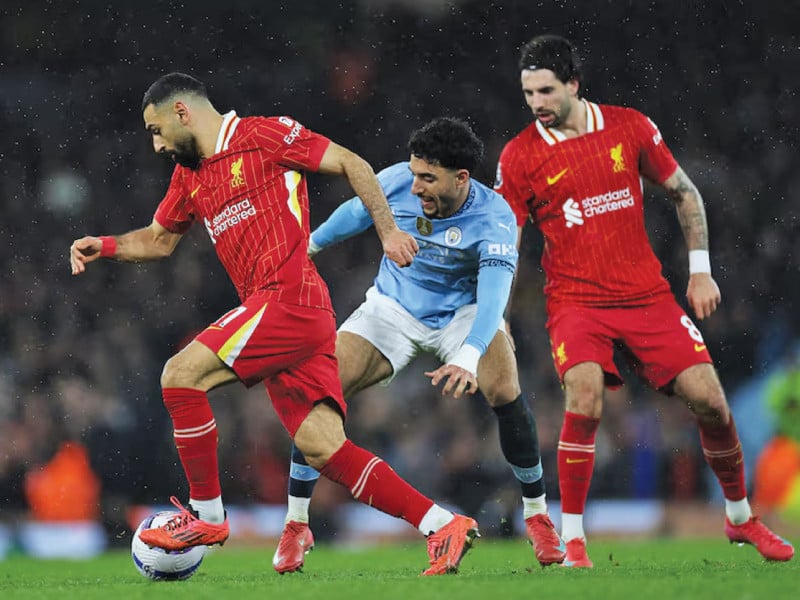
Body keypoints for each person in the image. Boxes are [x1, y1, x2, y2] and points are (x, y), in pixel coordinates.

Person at [69, 72, 479, 576]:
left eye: (156, 130)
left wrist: (389, 231)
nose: (155, 145)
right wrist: (105, 246)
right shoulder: (190, 175)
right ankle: (441, 523)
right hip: (287, 314)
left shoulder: (264, 136)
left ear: (182, 113)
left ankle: (206, 515)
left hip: (289, 298)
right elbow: (159, 239)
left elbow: (352, 162)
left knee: (179, 376)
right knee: (325, 449)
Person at [494, 35, 794, 566]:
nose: (536, 103)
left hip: (647, 297)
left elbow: (685, 192)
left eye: (545, 90)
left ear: (574, 84)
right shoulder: (519, 156)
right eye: (527, 93)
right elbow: (506, 243)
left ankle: (741, 519)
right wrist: (496, 312)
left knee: (711, 401)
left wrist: (699, 272)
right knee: (584, 395)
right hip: (575, 302)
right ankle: (575, 540)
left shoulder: (630, 126)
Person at [272, 117, 565, 574]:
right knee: (317, 391)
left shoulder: (495, 218)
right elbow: (354, 215)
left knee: (504, 386)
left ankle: (537, 514)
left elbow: (492, 300)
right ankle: (295, 525)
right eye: (414, 173)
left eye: (428, 178)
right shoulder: (396, 183)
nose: (416, 185)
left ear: (460, 178)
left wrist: (469, 355)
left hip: (463, 313)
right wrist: (307, 247)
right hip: (393, 307)